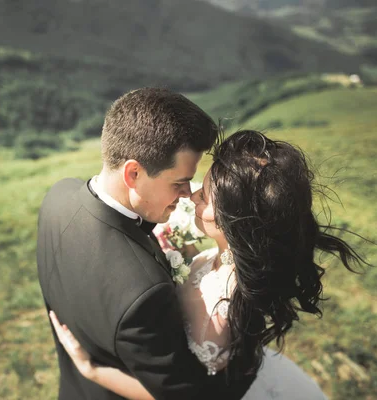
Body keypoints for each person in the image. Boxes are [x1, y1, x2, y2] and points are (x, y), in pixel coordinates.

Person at [50, 130, 368, 399]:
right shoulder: (234, 264)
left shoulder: (221, 308)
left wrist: (90, 369)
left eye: (205, 196)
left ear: (234, 221)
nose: (192, 197)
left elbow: (185, 394)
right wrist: (179, 247)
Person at [37, 89, 256, 400]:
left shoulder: (58, 196)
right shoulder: (143, 291)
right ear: (134, 172)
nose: (187, 194)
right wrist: (94, 371)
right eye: (178, 182)